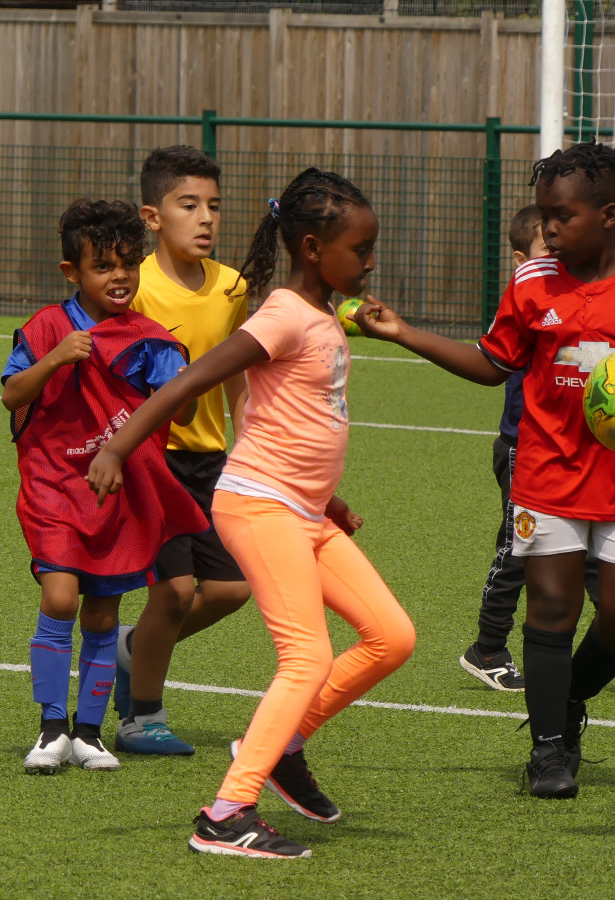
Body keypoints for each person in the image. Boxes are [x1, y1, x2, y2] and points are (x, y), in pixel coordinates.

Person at [353, 142, 615, 799]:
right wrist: (406, 334)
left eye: (563, 217)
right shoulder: (531, 284)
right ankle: (549, 750)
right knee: (552, 607)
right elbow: (492, 364)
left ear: (610, 215)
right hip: (546, 470)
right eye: (546, 217)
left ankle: (567, 701)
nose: (549, 230)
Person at [87, 168, 416, 859]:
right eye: (360, 250)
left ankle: (286, 743)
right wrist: (118, 447)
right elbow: (192, 379)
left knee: (392, 636)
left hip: (304, 509)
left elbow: (299, 419)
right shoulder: (282, 315)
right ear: (310, 247)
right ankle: (226, 812)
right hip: (260, 505)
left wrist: (328, 498)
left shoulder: (322, 314)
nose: (369, 261)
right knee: (307, 656)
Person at [1, 198, 208, 775]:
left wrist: (185, 378)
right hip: (53, 484)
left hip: (115, 494)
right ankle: (50, 728)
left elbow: (183, 414)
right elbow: (12, 396)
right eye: (103, 267)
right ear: (72, 272)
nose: (120, 277)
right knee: (61, 597)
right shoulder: (49, 326)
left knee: (100, 615)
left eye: (130, 265)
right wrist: (55, 360)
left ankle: (89, 733)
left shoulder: (147, 338)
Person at [461, 204, 615, 693]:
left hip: (590, 456)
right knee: (515, 552)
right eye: (544, 244)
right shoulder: (531, 291)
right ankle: (488, 645)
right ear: (522, 259)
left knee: (592, 550)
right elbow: (494, 366)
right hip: (528, 448)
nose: (556, 250)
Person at [114, 145, 253, 756]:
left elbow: (239, 381)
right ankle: (141, 716)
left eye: (214, 207)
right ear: (152, 216)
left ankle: (133, 646)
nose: (205, 219)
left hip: (212, 461)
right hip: (150, 461)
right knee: (171, 591)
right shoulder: (133, 285)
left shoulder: (232, 288)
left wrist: (249, 450)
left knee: (231, 589)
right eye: (188, 205)